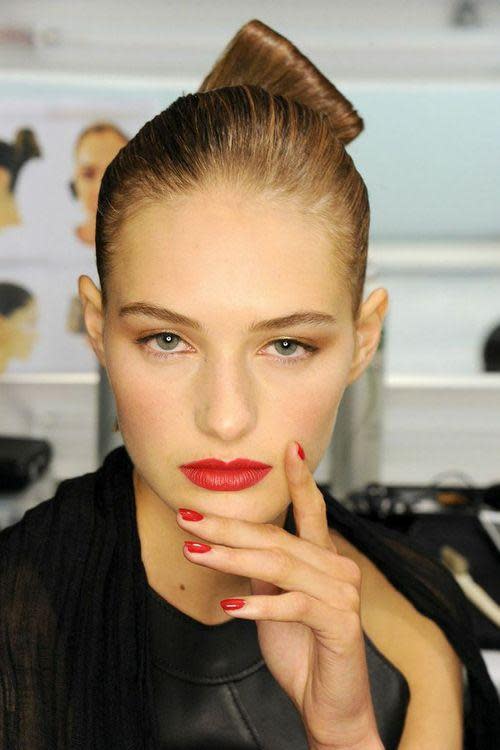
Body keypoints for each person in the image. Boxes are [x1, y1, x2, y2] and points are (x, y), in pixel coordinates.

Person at [0, 18, 499, 750]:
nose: (226, 418)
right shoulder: (16, 626)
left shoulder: (420, 625)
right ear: (99, 327)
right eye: (167, 340)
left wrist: (348, 735)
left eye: (287, 345)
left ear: (363, 341)